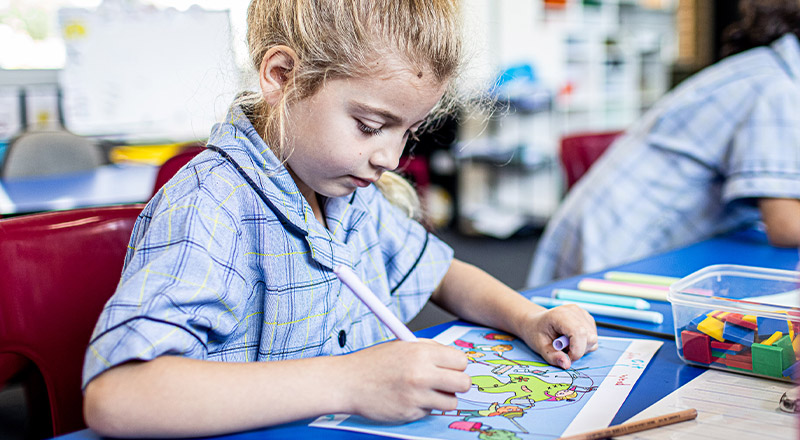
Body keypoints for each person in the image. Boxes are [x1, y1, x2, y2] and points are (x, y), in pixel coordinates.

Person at [82, 1, 597, 437]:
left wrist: (525, 318)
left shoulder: (346, 193)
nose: (390, 158)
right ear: (282, 77)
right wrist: (350, 382)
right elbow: (118, 395)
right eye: (370, 125)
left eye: (408, 133)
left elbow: (443, 273)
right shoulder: (212, 204)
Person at [528, 0, 800, 287]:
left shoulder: (769, 69)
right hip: (621, 236)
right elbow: (786, 226)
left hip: (631, 228)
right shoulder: (778, 88)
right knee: (587, 325)